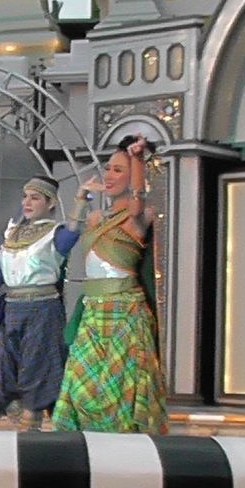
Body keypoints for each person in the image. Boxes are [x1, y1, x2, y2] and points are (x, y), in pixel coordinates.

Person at [52, 135, 169, 434]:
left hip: (125, 313)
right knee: (80, 388)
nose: (109, 175)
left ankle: (120, 456)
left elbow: (137, 202)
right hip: (92, 314)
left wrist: (138, 159)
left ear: (133, 176)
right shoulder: (95, 218)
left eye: (119, 170)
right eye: (108, 168)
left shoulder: (140, 216)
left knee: (119, 396)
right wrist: (81, 196)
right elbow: (68, 236)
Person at [0, 176, 83, 430]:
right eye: (25, 197)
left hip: (42, 309)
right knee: (3, 364)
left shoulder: (56, 233)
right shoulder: (12, 232)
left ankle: (32, 425)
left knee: (37, 365)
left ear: (51, 203)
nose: (27, 202)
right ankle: (15, 410)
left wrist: (81, 200)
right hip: (12, 308)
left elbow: (73, 232)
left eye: (35, 197)